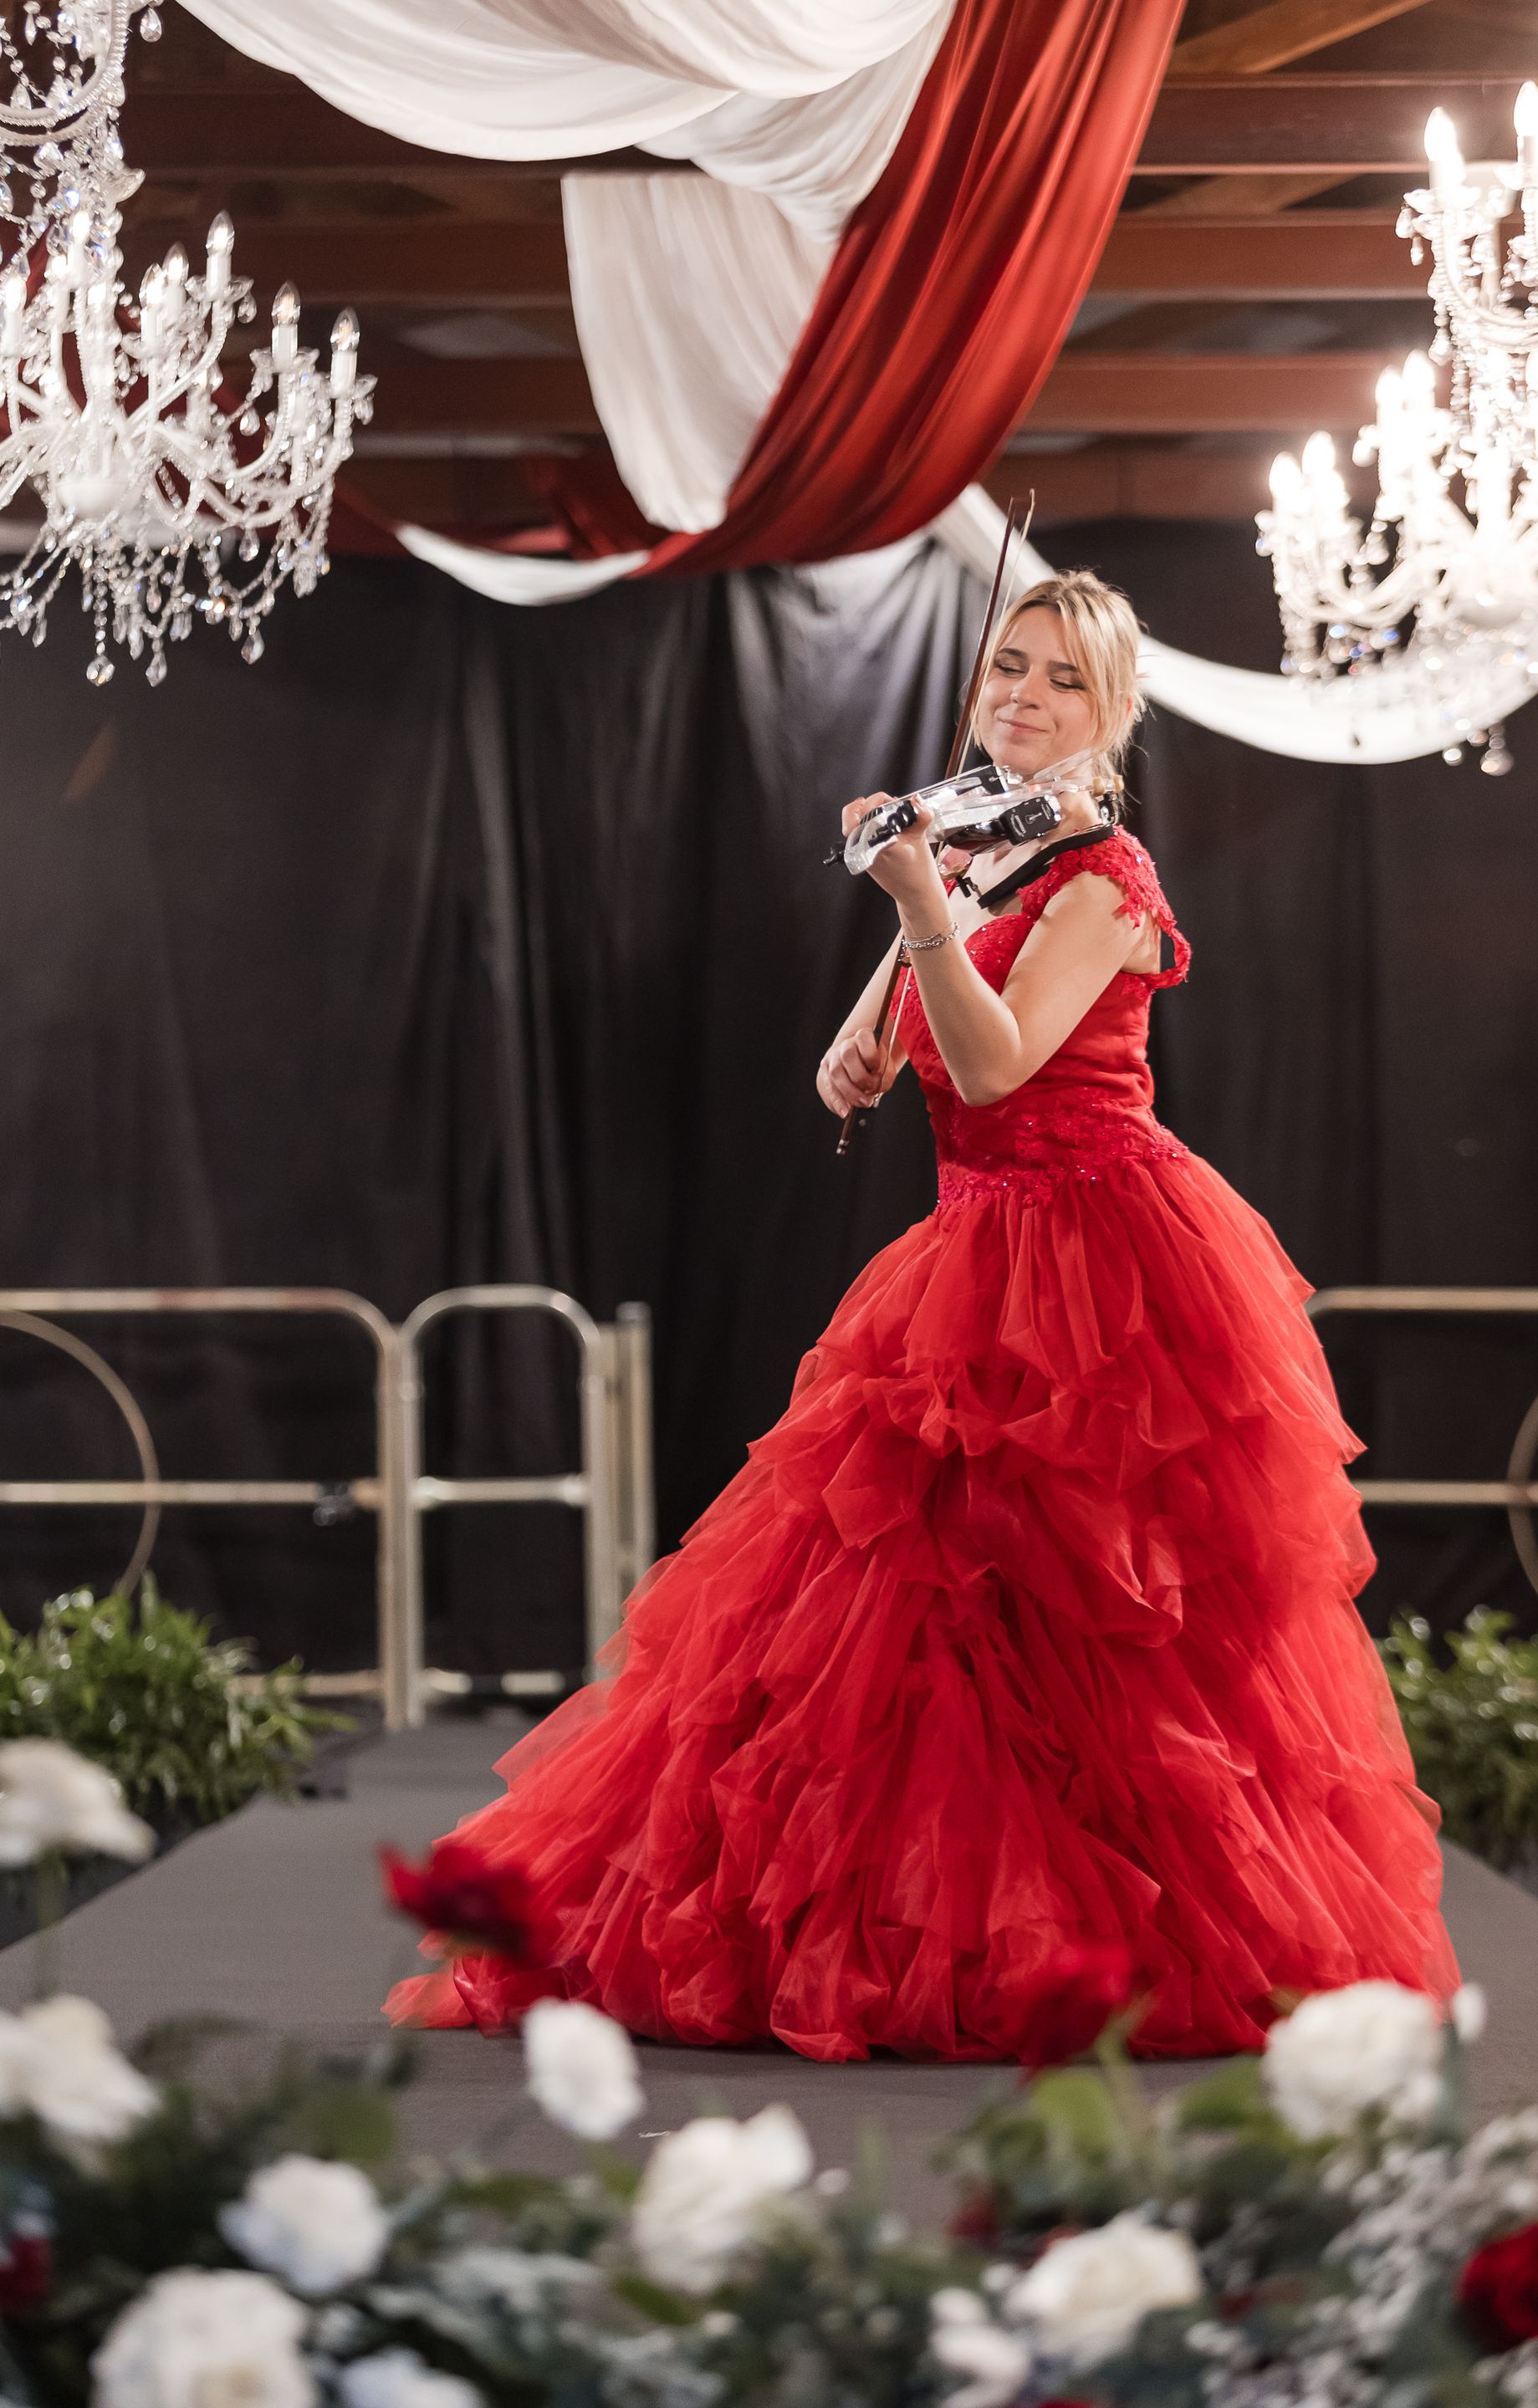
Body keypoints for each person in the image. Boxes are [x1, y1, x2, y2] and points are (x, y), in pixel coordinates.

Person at [386, 569, 1457, 2061]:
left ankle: (1102, 1940)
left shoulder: (1106, 876)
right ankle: (921, 1929)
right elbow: (892, 1040)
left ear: (1112, 711)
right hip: (974, 1240)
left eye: (1064, 680)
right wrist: (860, 1042)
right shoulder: (975, 848)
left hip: (1100, 1258)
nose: (1024, 696)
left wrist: (914, 905)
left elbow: (1004, 1062)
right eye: (1009, 666)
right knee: (915, 1608)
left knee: (1091, 1612)